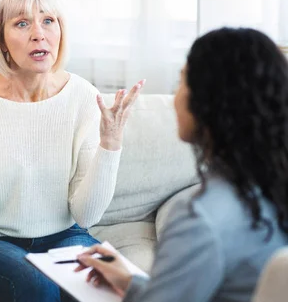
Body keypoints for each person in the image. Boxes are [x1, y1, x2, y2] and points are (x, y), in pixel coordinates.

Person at [0, 0, 144, 302]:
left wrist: (109, 144)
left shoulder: (84, 97)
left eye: (48, 20)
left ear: (60, 31)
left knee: (117, 287)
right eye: (22, 23)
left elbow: (86, 217)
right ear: (1, 38)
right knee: (39, 286)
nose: (38, 33)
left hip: (67, 234)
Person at [76, 27, 288, 302]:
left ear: (212, 103)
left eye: (183, 81)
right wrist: (131, 282)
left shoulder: (199, 218)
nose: (175, 97)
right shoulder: (271, 192)